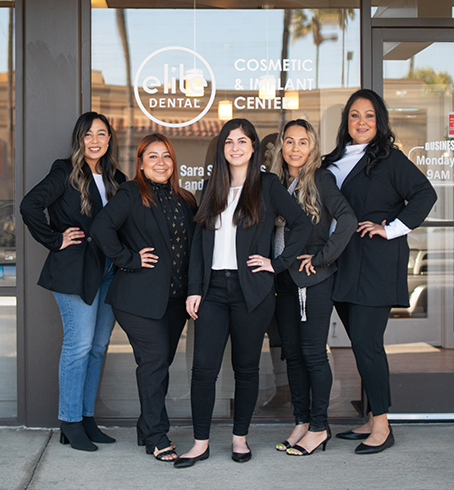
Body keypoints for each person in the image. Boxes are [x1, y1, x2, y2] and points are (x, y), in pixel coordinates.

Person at [174, 118, 313, 468]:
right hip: (212, 291)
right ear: (222, 149)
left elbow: (301, 223)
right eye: (228, 142)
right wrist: (194, 289)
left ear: (254, 147)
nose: (235, 147)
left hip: (252, 290)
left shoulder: (267, 185)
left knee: (246, 369)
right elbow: (197, 245)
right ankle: (200, 443)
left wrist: (277, 263)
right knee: (203, 370)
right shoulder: (211, 187)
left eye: (242, 141)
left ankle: (239, 439)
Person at [322, 89, 437, 454]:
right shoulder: (333, 160)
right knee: (360, 345)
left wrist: (391, 228)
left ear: (379, 121)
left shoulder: (390, 159)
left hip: (374, 265)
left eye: (369, 116)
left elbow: (425, 194)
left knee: (369, 346)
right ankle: (372, 419)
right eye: (355, 115)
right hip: (341, 266)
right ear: (346, 121)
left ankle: (383, 427)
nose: (361, 122)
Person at [20, 112, 126, 451]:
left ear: (109, 139)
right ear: (79, 139)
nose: (95, 140)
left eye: (102, 134)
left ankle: (86, 417)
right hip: (74, 270)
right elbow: (29, 205)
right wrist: (54, 239)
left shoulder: (115, 177)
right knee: (79, 347)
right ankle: (69, 421)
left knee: (97, 348)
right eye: (88, 134)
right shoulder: (64, 171)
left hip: (109, 271)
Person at [91, 133, 197, 462]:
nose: (161, 162)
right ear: (140, 163)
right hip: (137, 299)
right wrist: (129, 259)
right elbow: (100, 229)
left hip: (175, 300)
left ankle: (144, 426)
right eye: (152, 157)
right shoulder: (131, 193)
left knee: (159, 364)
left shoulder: (185, 199)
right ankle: (156, 436)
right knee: (153, 363)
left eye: (166, 156)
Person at [270, 119, 357, 456]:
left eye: (302, 142)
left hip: (313, 282)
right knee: (292, 356)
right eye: (289, 142)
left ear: (312, 147)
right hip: (283, 281)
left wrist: (322, 258)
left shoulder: (321, 179)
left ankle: (319, 427)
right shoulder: (276, 182)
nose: (295, 149)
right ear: (281, 147)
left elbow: (347, 220)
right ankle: (301, 422)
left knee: (312, 355)